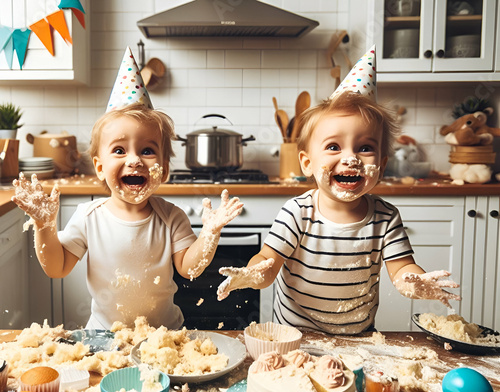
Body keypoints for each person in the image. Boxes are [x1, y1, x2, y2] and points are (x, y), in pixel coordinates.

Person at [12, 48, 243, 331]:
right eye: (119, 150)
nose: (134, 160)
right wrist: (44, 226)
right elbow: (56, 267)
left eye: (147, 150)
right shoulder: (89, 216)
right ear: (99, 167)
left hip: (164, 335)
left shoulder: (172, 217)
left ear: (165, 168)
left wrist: (209, 234)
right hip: (104, 335)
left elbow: (189, 268)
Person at [217, 89, 460, 334]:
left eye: (365, 148)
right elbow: (268, 263)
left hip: (358, 338)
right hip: (295, 336)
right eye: (334, 146)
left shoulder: (385, 217)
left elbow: (401, 269)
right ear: (307, 163)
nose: (351, 158)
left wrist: (416, 283)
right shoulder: (297, 212)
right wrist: (251, 274)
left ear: (382, 165)